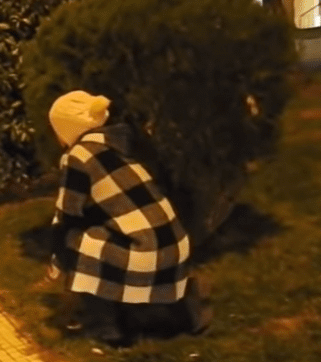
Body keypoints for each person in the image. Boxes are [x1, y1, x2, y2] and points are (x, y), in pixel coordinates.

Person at [46, 90, 212, 345]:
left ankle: (107, 326)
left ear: (67, 128)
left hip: (147, 251)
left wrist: (57, 259)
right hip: (177, 246)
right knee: (110, 235)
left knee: (75, 241)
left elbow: (69, 212)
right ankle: (185, 307)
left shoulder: (78, 156)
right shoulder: (119, 142)